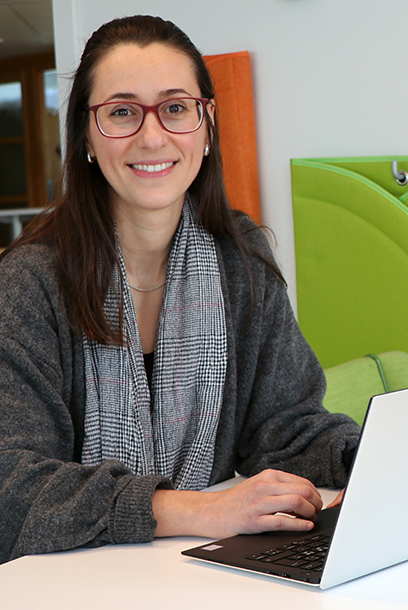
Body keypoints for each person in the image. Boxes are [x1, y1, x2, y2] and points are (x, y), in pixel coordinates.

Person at [0, 15, 360, 565]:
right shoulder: (28, 283)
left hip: (195, 571)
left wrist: (371, 461)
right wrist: (201, 511)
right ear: (86, 137)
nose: (152, 136)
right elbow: (12, 489)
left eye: (175, 108)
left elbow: (284, 428)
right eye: (121, 111)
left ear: (206, 125)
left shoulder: (241, 259)